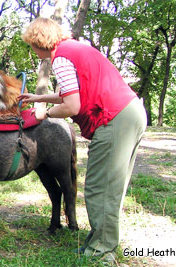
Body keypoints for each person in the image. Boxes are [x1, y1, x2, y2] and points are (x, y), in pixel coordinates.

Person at [19, 17, 147, 262]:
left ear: (40, 41)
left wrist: (44, 113)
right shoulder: (74, 49)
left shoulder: (62, 58)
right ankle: (99, 242)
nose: (31, 49)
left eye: (31, 44)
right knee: (111, 187)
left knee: (101, 187)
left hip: (115, 119)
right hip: (130, 113)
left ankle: (102, 252)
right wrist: (37, 98)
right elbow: (72, 92)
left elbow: (72, 106)